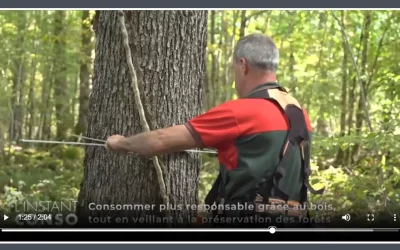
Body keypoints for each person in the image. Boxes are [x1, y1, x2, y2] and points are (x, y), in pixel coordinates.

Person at [106, 33, 324, 228]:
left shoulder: (240, 112)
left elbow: (162, 140)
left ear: (243, 65)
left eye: (233, 69)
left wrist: (122, 143)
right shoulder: (298, 112)